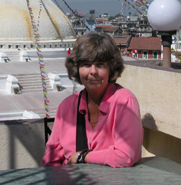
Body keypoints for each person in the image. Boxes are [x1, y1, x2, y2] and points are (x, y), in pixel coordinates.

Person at [41, 32, 143, 168]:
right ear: (77, 68)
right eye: (86, 65)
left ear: (111, 69)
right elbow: (50, 160)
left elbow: (125, 155)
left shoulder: (124, 102)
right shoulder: (67, 107)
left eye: (100, 65)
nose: (93, 71)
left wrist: (82, 156)